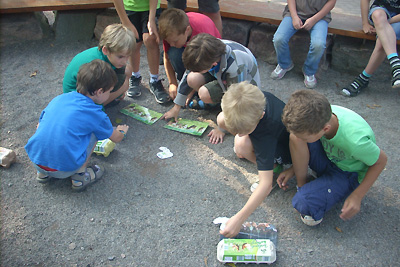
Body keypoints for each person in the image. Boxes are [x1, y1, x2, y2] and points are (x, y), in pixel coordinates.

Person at [279, 90, 387, 226]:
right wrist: (295, 168)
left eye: (305, 137)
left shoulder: (355, 142)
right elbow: (299, 137)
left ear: (325, 129)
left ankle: (316, 194)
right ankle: (303, 185)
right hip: (330, 156)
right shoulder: (320, 113)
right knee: (295, 136)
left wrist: (357, 195)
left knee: (303, 203)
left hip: (348, 174)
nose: (302, 139)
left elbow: (381, 161)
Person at [26, 60, 130, 192]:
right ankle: (80, 177)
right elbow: (116, 138)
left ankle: (43, 173)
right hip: (64, 169)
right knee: (95, 133)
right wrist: (122, 131)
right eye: (109, 91)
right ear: (99, 91)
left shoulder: (59, 99)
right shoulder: (96, 114)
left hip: (36, 160)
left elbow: (40, 124)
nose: (109, 94)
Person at [216, 82, 292, 238]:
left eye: (244, 130)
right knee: (231, 133)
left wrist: (239, 219)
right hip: (261, 130)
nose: (239, 133)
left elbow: (265, 185)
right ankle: (261, 157)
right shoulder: (252, 101)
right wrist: (223, 128)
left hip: (283, 148)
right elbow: (222, 119)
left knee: (241, 145)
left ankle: (274, 166)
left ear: (261, 117)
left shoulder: (268, 129)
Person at [161, 33, 260, 144]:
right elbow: (188, 73)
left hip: (242, 89)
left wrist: (222, 127)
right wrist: (176, 106)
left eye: (199, 69)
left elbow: (235, 98)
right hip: (221, 76)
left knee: (206, 96)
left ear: (213, 64)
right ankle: (214, 101)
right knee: (192, 78)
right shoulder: (206, 52)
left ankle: (214, 104)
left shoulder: (235, 66)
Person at [63, 24, 135, 107]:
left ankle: (113, 96)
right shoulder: (98, 67)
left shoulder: (104, 55)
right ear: (106, 50)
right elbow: (94, 94)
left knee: (127, 70)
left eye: (128, 56)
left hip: (86, 89)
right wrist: (122, 89)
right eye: (120, 56)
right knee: (124, 82)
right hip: (76, 100)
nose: (125, 61)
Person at [113, 0, 170, 104]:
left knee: (151, 39)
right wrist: (125, 22)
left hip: (150, 8)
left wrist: (151, 19)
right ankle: (135, 76)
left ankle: (154, 80)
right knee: (133, 41)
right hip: (129, 7)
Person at [271, 0, 336, 89]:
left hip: (320, 17)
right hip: (294, 13)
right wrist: (294, 17)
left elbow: (331, 2)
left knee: (319, 45)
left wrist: (314, 19)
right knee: (279, 39)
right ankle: (284, 64)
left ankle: (309, 71)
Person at [158, 8, 221, 100]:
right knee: (173, 53)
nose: (171, 44)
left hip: (210, 60)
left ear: (187, 30)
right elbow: (167, 58)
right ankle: (186, 83)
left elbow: (211, 60)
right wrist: (172, 83)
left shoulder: (203, 32)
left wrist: (188, 91)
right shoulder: (171, 33)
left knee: (198, 80)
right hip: (191, 51)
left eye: (175, 41)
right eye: (169, 41)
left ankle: (197, 88)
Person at [341, 0, 400, 97]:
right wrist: (365, 23)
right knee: (378, 15)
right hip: (381, 12)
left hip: (397, 20)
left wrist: (384, 23)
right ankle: (396, 66)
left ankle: (363, 78)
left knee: (383, 40)